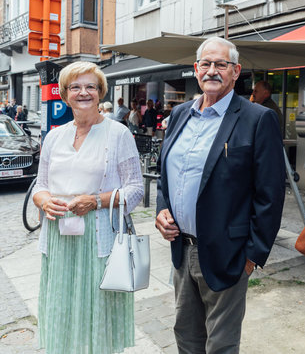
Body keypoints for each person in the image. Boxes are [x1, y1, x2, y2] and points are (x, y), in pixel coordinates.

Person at [155, 36, 285, 353]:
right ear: (196, 69)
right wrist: (161, 210)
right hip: (181, 250)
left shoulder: (258, 118)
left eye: (221, 64)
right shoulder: (180, 114)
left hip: (230, 253)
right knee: (185, 335)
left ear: (235, 71)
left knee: (221, 345)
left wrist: (252, 256)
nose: (212, 70)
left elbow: (271, 194)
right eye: (206, 64)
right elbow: (164, 177)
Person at [32, 61, 144, 354]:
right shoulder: (54, 136)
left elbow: (135, 190)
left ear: (100, 93)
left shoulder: (117, 134)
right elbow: (40, 185)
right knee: (62, 314)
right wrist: (44, 201)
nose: (83, 93)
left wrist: (96, 201)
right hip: (59, 243)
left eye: (90, 87)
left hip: (98, 244)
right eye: (76, 87)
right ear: (65, 94)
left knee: (97, 321)